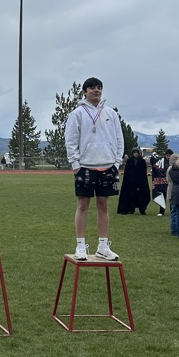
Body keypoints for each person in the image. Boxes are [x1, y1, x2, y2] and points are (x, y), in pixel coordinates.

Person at [64, 77, 123, 261]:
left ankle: (103, 246)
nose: (96, 91)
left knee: (103, 205)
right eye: (92, 88)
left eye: (99, 88)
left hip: (107, 165)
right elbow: (71, 139)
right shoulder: (78, 113)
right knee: (83, 205)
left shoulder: (110, 113)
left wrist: (117, 162)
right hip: (85, 166)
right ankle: (81, 245)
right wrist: (75, 164)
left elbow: (119, 138)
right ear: (84, 92)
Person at [117, 147, 150, 215]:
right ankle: (130, 209)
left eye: (137, 152)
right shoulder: (129, 161)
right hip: (130, 182)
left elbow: (143, 173)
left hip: (140, 182)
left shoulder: (142, 161)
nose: (136, 154)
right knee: (130, 196)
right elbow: (127, 172)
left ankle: (142, 209)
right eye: (134, 152)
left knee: (142, 195)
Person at [150, 148, 173, 216]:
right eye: (167, 155)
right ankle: (161, 211)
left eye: (170, 156)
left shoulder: (173, 163)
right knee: (162, 196)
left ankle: (173, 211)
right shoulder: (161, 162)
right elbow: (154, 163)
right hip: (162, 183)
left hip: (171, 183)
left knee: (171, 198)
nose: (168, 157)